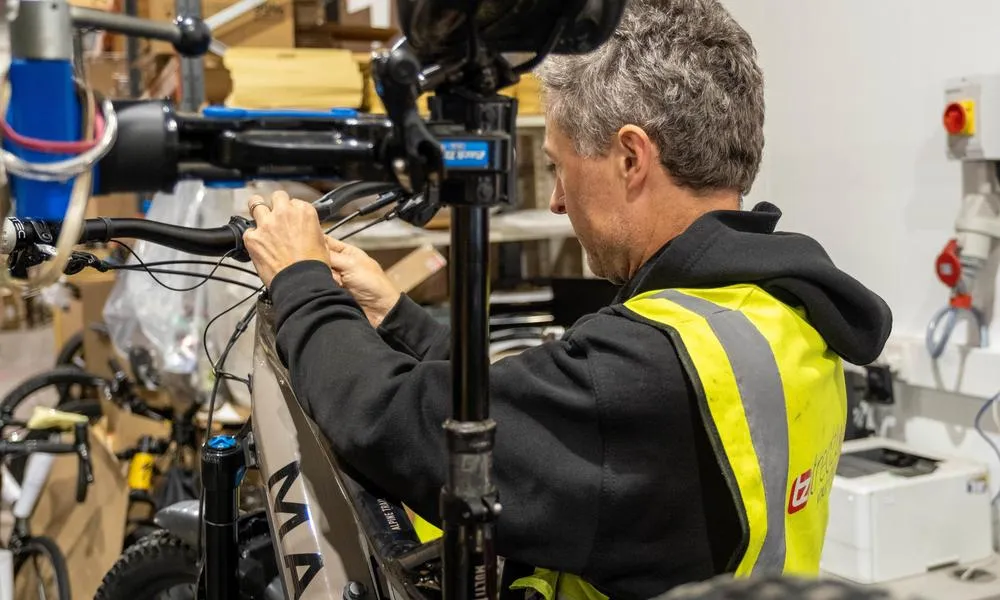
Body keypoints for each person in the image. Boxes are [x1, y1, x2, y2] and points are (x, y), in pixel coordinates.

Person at [241, 0, 893, 598]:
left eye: (558, 166)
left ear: (631, 158)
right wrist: (399, 318)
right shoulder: (777, 315)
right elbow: (537, 406)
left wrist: (301, 281)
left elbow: (392, 422)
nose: (555, 199)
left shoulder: (648, 368)